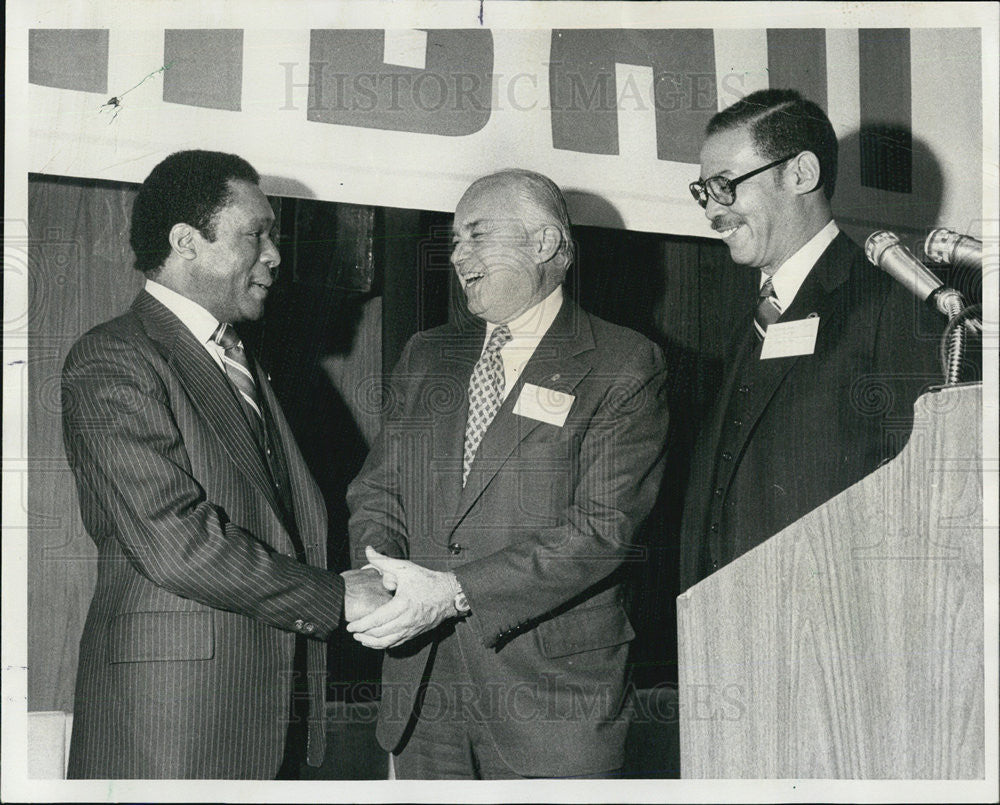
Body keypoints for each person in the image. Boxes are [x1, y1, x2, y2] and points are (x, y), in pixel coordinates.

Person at [61, 150, 390, 779]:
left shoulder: (241, 359)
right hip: (172, 728)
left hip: (265, 716)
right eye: (255, 234)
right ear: (187, 241)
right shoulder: (113, 358)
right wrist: (336, 598)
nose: (274, 255)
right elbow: (174, 543)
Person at [344, 169, 671, 779]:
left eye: (475, 234)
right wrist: (385, 576)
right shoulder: (426, 354)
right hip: (423, 697)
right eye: (454, 239)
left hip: (550, 708)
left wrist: (452, 592)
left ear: (544, 243)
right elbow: (377, 491)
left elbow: (600, 533)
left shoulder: (623, 364)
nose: (457, 254)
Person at [679, 89, 943, 592]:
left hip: (833, 633)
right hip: (723, 626)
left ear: (801, 173)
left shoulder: (892, 301)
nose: (712, 211)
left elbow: (923, 500)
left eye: (724, 185)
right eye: (703, 191)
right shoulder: (750, 319)